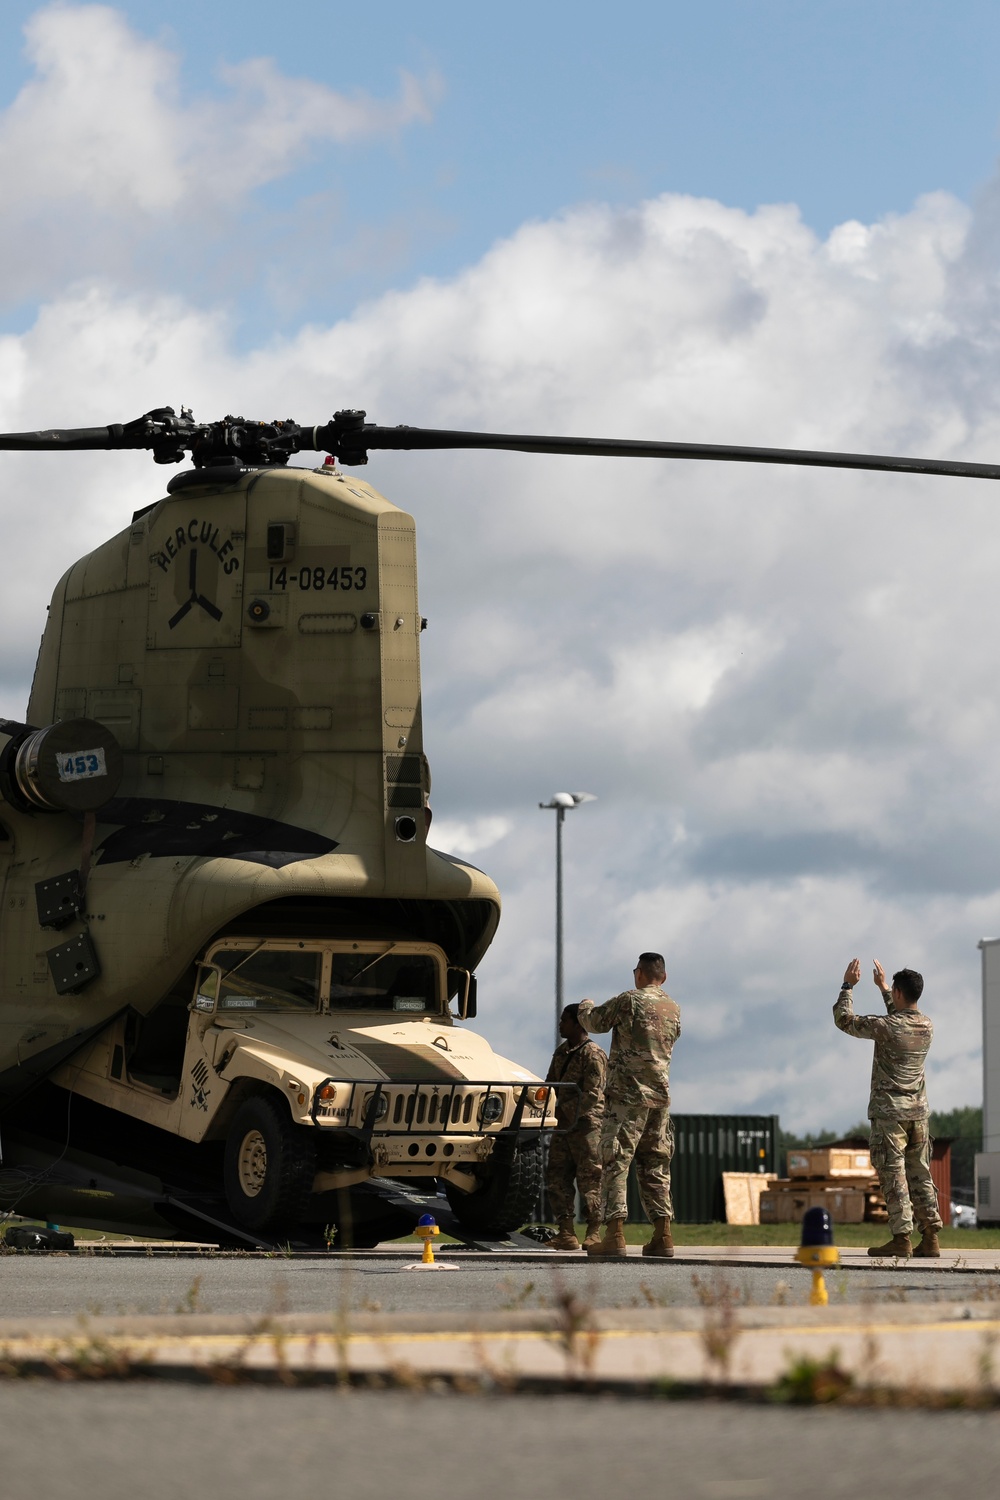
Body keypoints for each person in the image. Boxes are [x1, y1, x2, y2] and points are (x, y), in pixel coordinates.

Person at [835, 957, 943, 1259]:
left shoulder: (885, 1026)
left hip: (890, 1115)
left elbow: (845, 1020)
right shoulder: (926, 1026)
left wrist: (847, 986)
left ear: (898, 993)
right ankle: (931, 1236)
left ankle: (901, 1237)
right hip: (918, 1114)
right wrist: (884, 987)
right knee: (921, 1174)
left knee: (893, 1174)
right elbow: (900, 1017)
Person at [578, 952, 681, 1259]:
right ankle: (663, 1235)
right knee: (656, 1166)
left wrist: (585, 1005)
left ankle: (615, 1234)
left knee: (615, 1162)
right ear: (663, 977)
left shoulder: (629, 1001)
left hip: (627, 1098)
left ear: (638, 974)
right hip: (659, 1100)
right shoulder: (673, 1008)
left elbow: (594, 1022)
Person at [544, 1003, 608, 1250]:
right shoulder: (562, 1052)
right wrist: (548, 1110)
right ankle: (566, 1232)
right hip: (563, 1127)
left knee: (590, 1178)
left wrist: (565, 1112)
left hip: (587, 1126)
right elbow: (550, 1085)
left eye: (564, 1020)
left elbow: (594, 1094)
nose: (560, 1025)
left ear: (578, 1024)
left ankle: (594, 1232)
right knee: (557, 1176)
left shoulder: (593, 1054)